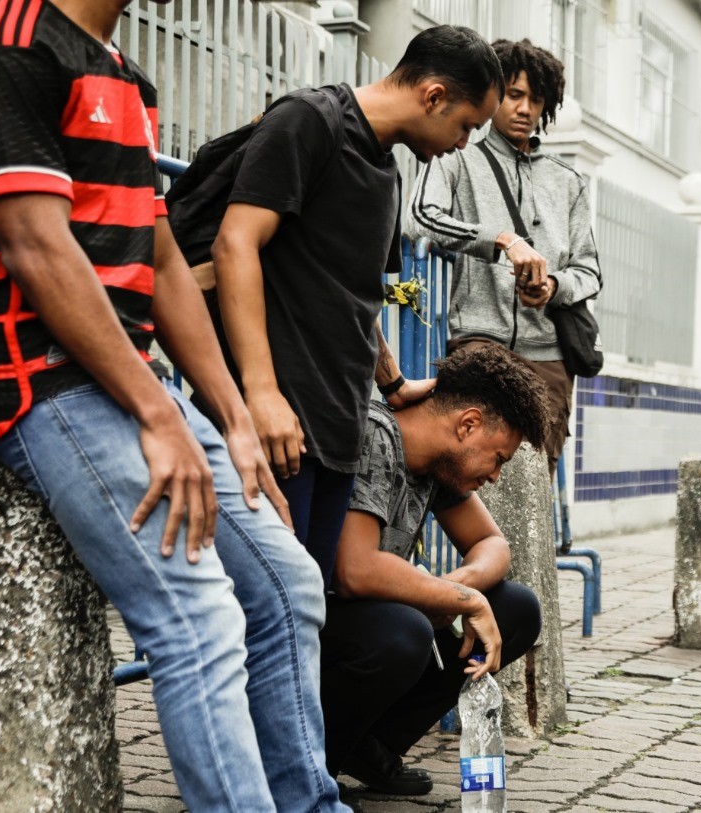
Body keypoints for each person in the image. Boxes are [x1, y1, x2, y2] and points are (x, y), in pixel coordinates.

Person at [0, 0, 345, 809]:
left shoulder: (126, 76)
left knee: (289, 585)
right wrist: (158, 412)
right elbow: (33, 241)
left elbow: (166, 260)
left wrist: (234, 420)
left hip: (130, 382)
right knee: (197, 616)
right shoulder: (12, 41)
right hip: (40, 379)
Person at [208, 25, 504, 587]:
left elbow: (356, 296)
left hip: (339, 428)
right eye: (467, 125)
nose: (465, 143)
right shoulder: (309, 120)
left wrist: (391, 385)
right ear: (434, 95)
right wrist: (261, 394)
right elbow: (235, 244)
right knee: (269, 608)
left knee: (309, 611)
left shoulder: (387, 172)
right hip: (282, 422)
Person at [320, 344, 546, 795]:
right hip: (313, 628)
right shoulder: (375, 435)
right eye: (498, 458)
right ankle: (307, 767)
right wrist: (459, 599)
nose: (497, 475)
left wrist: (453, 587)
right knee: (404, 630)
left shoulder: (437, 466)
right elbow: (354, 569)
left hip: (369, 629)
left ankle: (369, 747)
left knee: (516, 609)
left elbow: (492, 545)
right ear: (468, 424)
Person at [409, 37, 602, 475]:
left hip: (548, 355)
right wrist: (500, 239)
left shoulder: (567, 181)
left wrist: (553, 287)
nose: (525, 109)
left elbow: (589, 271)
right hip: (479, 341)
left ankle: (523, 551)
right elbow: (421, 218)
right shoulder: (457, 158)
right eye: (515, 95)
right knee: (471, 474)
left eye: (537, 99)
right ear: (494, 94)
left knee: (533, 483)